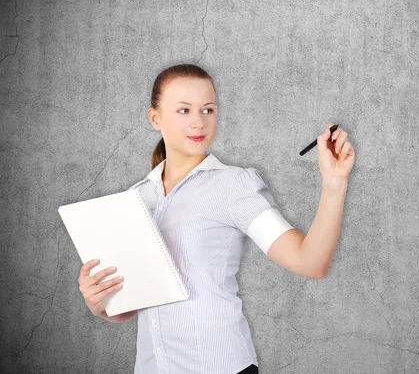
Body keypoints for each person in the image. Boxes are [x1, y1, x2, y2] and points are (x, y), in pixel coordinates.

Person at [76, 63, 355, 373]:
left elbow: (309, 262)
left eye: (207, 110)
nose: (199, 122)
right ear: (155, 118)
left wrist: (334, 182)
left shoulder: (233, 185)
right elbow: (133, 304)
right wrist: (99, 303)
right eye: (184, 110)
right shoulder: (137, 197)